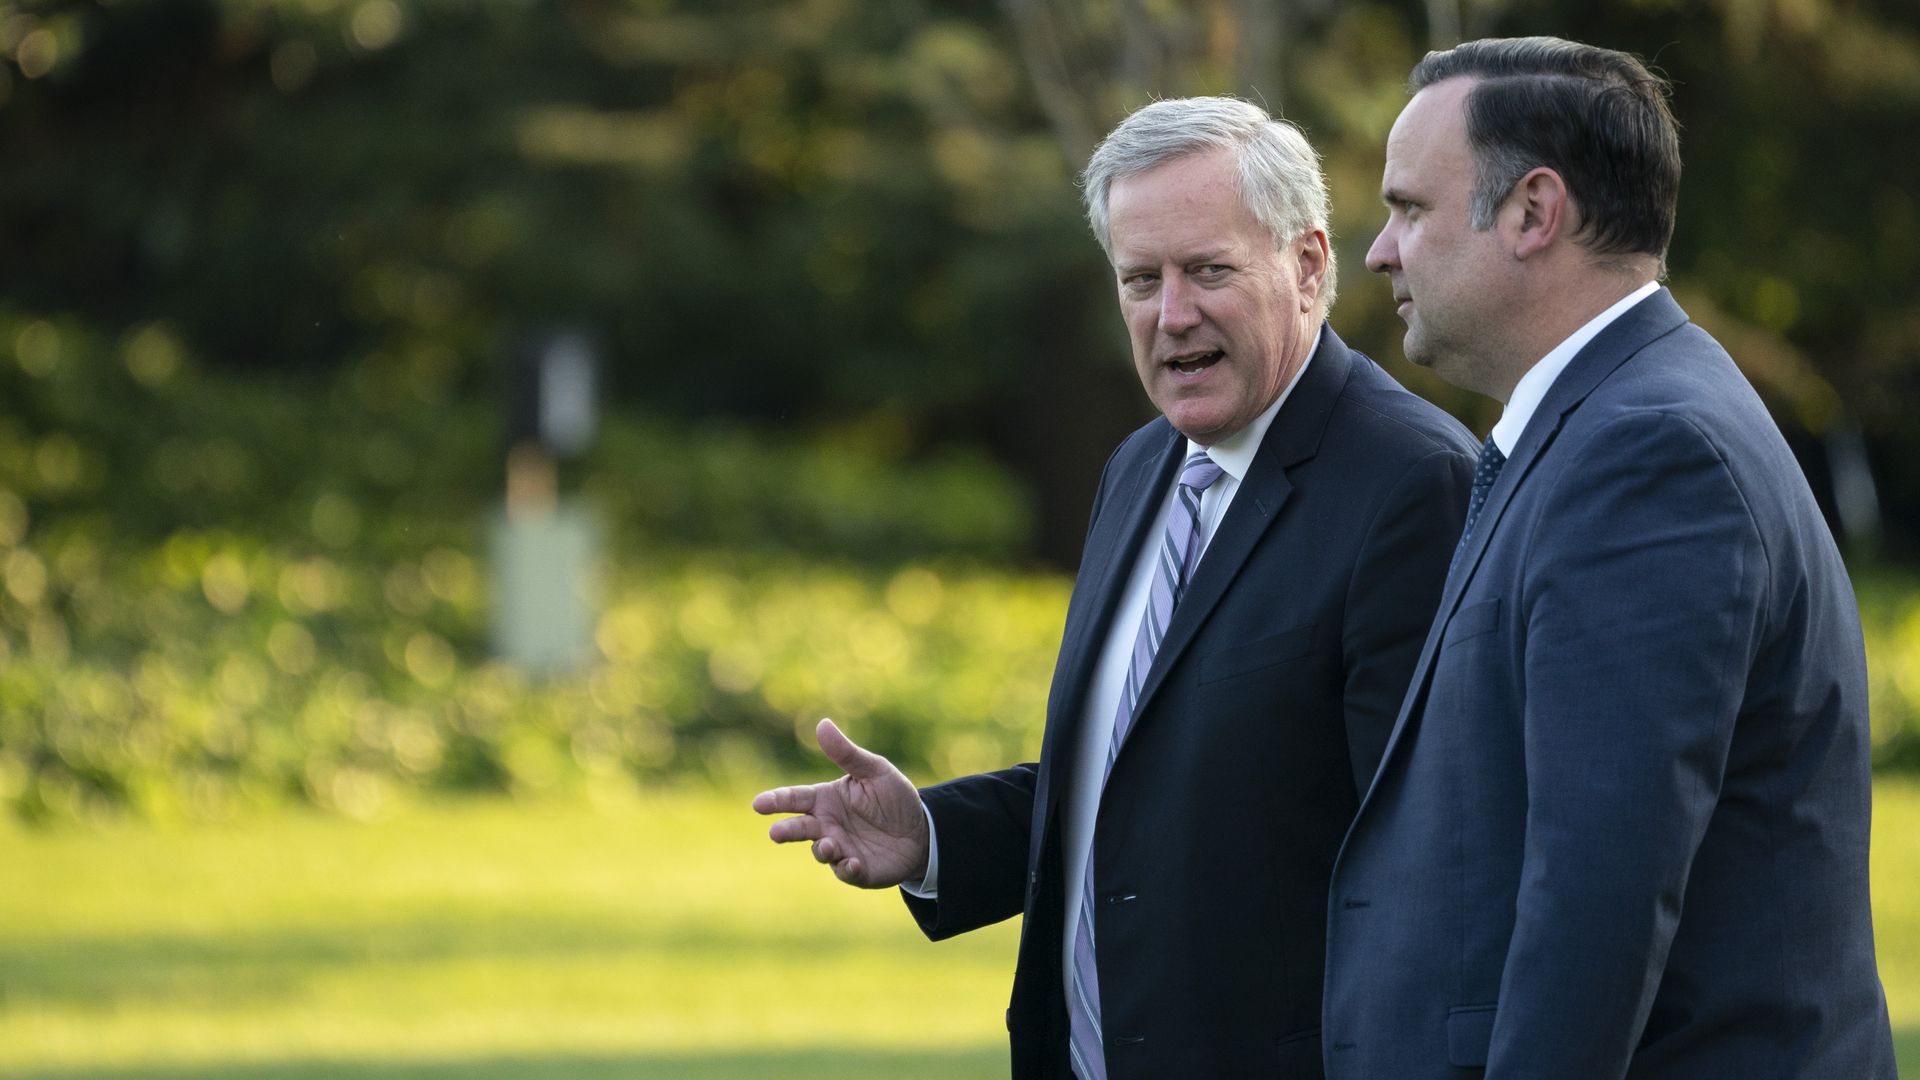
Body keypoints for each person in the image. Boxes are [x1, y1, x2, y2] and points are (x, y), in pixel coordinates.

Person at [754, 97, 1477, 1079]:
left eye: (1207, 270)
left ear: (1308, 265)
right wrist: (933, 837)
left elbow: (1433, 865)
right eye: (1141, 280)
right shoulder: (1141, 467)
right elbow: (1144, 782)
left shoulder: (1415, 483)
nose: (1171, 314)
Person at [1322, 36, 1897, 1079]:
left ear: (1535, 213)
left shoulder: (1650, 452)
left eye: (1410, 208)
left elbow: (1600, 894)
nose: (1379, 250)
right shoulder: (1611, 423)